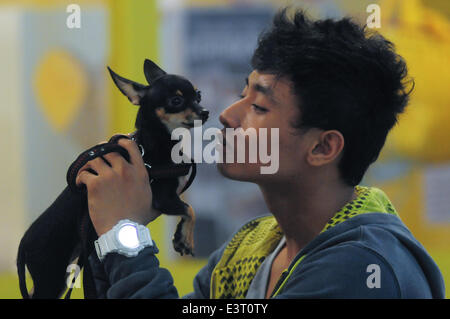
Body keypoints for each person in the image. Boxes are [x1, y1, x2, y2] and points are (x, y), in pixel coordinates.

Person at [76, 8, 445, 298]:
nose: (227, 116)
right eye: (242, 94)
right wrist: (105, 225)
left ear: (322, 147)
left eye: (260, 107)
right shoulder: (253, 246)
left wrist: (123, 232)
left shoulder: (361, 267)